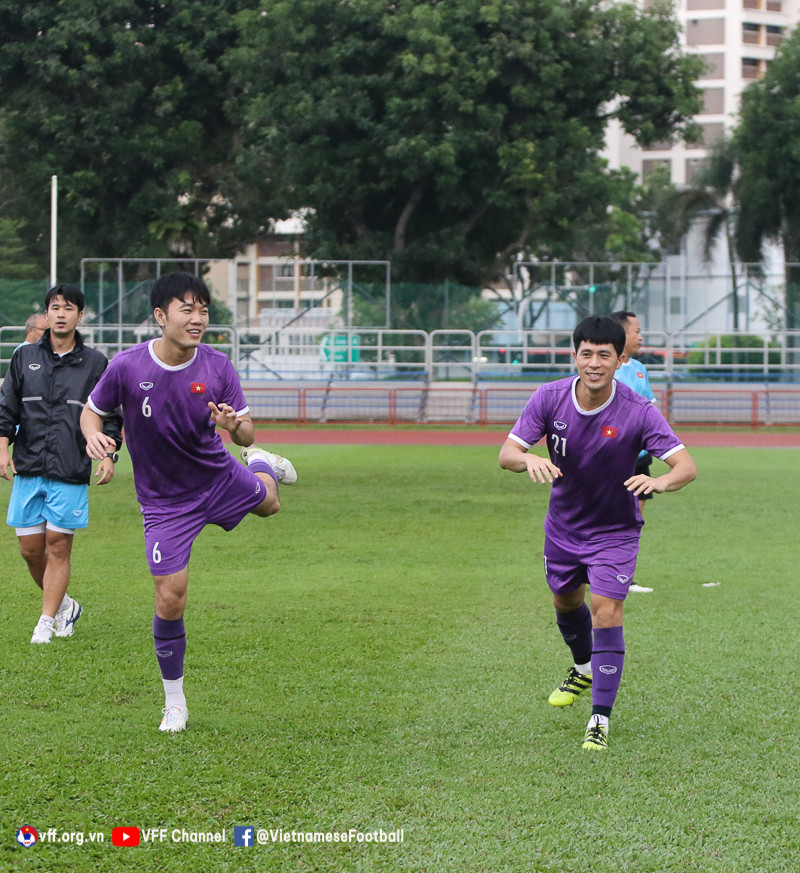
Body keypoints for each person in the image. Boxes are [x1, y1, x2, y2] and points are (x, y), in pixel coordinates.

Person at [80, 272, 297, 734]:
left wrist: (236, 430)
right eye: (188, 309)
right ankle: (174, 702)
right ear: (161, 316)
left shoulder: (218, 366)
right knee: (170, 597)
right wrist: (93, 436)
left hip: (216, 477)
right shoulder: (127, 366)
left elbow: (246, 427)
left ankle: (260, 464)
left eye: (203, 310)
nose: (198, 319)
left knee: (271, 505)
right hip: (164, 503)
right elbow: (92, 411)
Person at [498, 316, 696, 751]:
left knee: (607, 611)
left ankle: (599, 720)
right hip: (564, 527)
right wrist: (527, 460)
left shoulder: (638, 409)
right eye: (586, 353)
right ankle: (583, 667)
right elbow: (507, 453)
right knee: (565, 602)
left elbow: (686, 467)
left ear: (620, 359)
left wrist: (661, 482)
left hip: (615, 531)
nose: (594, 363)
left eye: (604, 355)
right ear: (575, 356)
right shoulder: (549, 397)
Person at [0, 285, 123, 644]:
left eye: (68, 308)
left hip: (70, 468)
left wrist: (109, 454)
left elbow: (110, 417)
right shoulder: (24, 357)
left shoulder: (96, 363)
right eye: (55, 307)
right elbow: (7, 408)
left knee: (58, 544)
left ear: (79, 316)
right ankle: (66, 605)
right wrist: (2, 448)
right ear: (47, 312)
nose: (60, 314)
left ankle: (46, 620)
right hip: (28, 464)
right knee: (29, 550)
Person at [610, 310, 657, 593]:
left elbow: (649, 410)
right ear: (621, 333)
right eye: (636, 331)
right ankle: (601, 572)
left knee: (634, 519)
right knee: (611, 517)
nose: (641, 336)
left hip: (639, 459)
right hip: (613, 459)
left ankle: (625, 577)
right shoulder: (606, 368)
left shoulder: (640, 368)